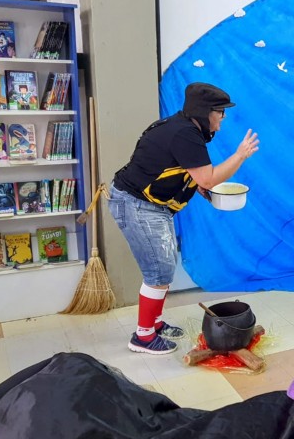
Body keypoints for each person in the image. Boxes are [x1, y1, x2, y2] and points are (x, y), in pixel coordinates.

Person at [108, 82, 260, 354]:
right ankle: (143, 337)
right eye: (220, 111)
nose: (223, 117)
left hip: (150, 204)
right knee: (159, 270)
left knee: (164, 266)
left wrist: (195, 184)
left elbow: (181, 169)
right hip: (137, 204)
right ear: (205, 112)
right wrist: (240, 156)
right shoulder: (185, 134)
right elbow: (208, 178)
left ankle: (154, 323)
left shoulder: (183, 127)